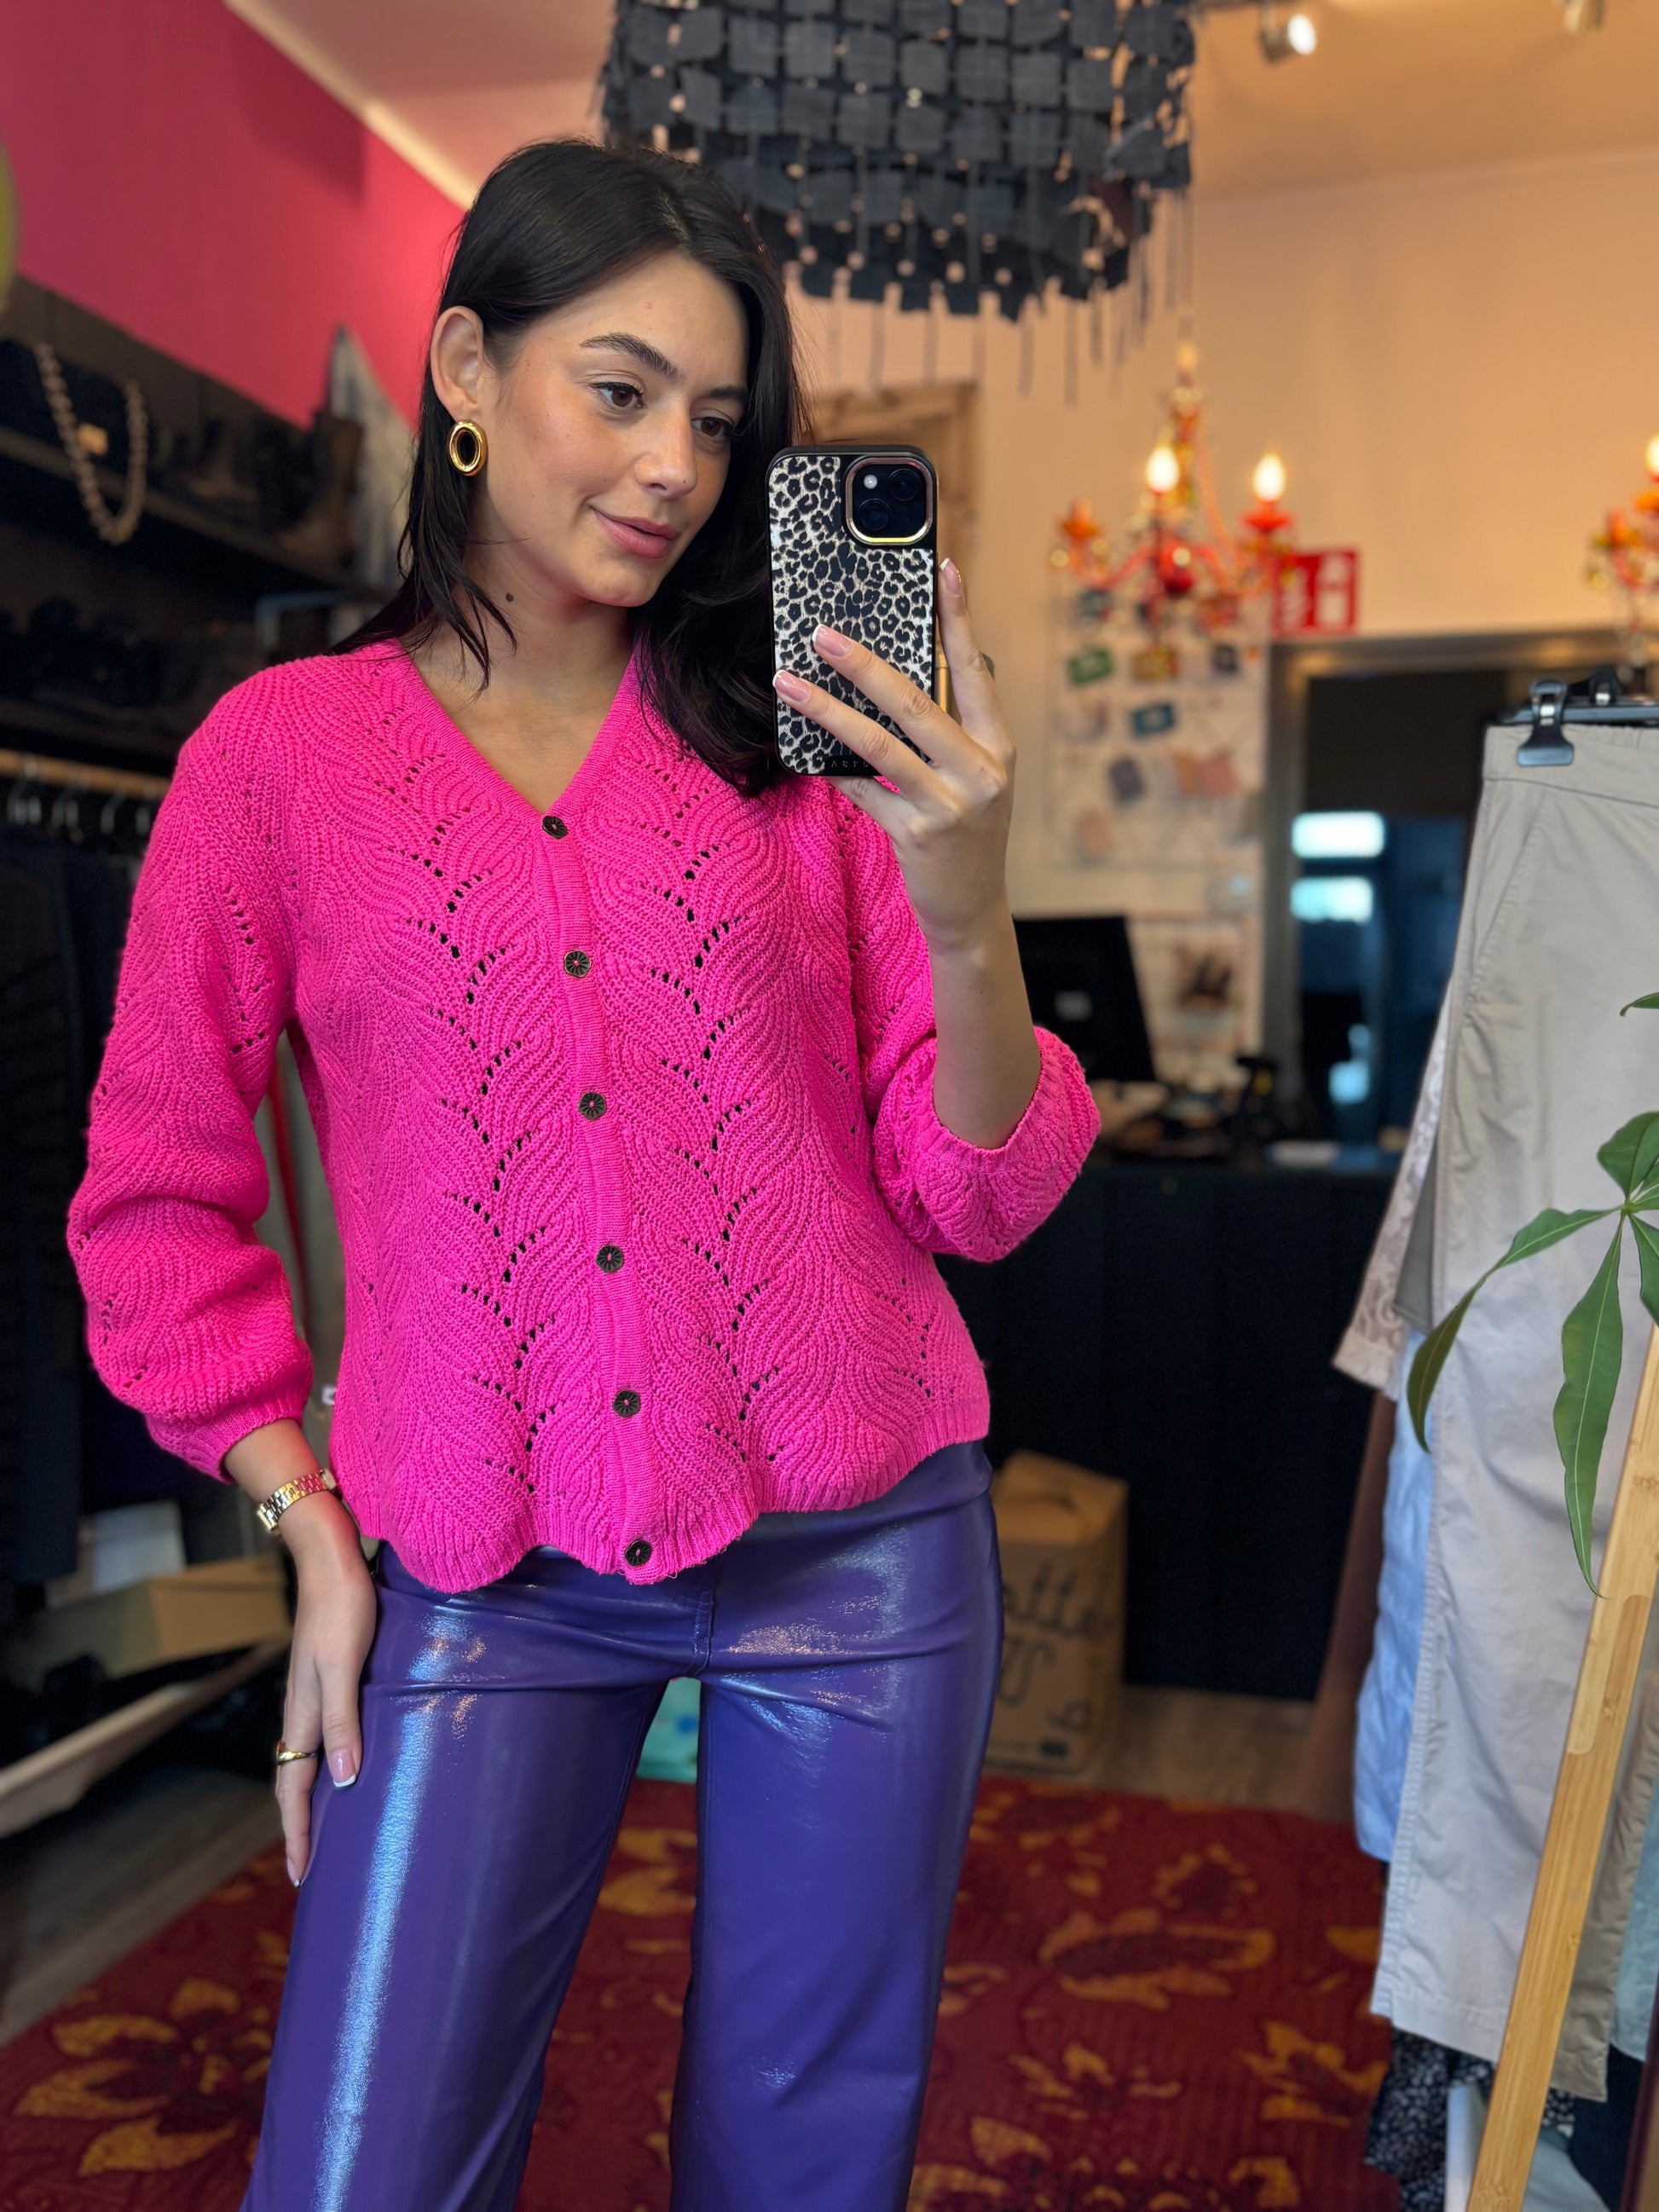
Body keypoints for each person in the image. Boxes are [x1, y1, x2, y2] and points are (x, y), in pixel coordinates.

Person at [66, 139, 1099, 2212]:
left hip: (860, 1551)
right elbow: (158, 1200)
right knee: (360, 2165)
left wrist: (966, 901)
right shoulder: (276, 761)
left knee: (800, 2162)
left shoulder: (799, 742)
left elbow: (971, 1189)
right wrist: (304, 1513)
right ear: (466, 366)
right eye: (617, 392)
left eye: (714, 421)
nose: (671, 471)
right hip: (476, 1554)